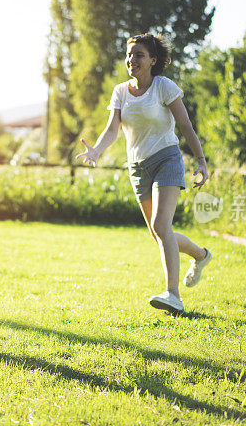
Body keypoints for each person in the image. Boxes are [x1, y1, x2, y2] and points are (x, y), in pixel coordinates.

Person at [76, 33, 213, 315]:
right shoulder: (120, 91)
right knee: (158, 233)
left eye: (138, 54)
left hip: (167, 158)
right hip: (138, 167)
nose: (131, 60)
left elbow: (185, 125)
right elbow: (112, 129)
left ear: (153, 60)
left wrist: (201, 161)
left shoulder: (164, 87)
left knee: (162, 226)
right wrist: (97, 150)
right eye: (129, 54)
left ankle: (173, 295)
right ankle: (200, 255)